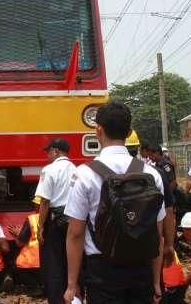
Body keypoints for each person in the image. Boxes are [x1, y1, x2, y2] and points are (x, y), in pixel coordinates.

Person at [64, 101, 166, 304]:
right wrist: (156, 282)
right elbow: (157, 234)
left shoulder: (85, 174)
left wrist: (72, 285)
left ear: (98, 130)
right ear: (129, 132)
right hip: (141, 270)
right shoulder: (151, 174)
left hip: (102, 271)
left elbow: (75, 234)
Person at [35, 137, 76, 304]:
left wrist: (40, 226)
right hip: (74, 220)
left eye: (48, 151)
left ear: (56, 151)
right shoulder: (76, 169)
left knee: (54, 264)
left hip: (55, 221)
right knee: (71, 262)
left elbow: (44, 201)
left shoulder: (49, 170)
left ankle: (56, 299)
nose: (47, 155)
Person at [128, 138, 176, 266]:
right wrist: (169, 245)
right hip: (147, 247)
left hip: (109, 255)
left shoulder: (90, 172)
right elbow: (168, 210)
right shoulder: (154, 173)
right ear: (137, 148)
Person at [11, 197, 42, 291]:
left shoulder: (32, 219)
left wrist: (17, 234)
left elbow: (19, 243)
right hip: (50, 264)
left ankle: (33, 287)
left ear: (36, 206)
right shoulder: (55, 218)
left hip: (31, 264)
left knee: (16, 265)